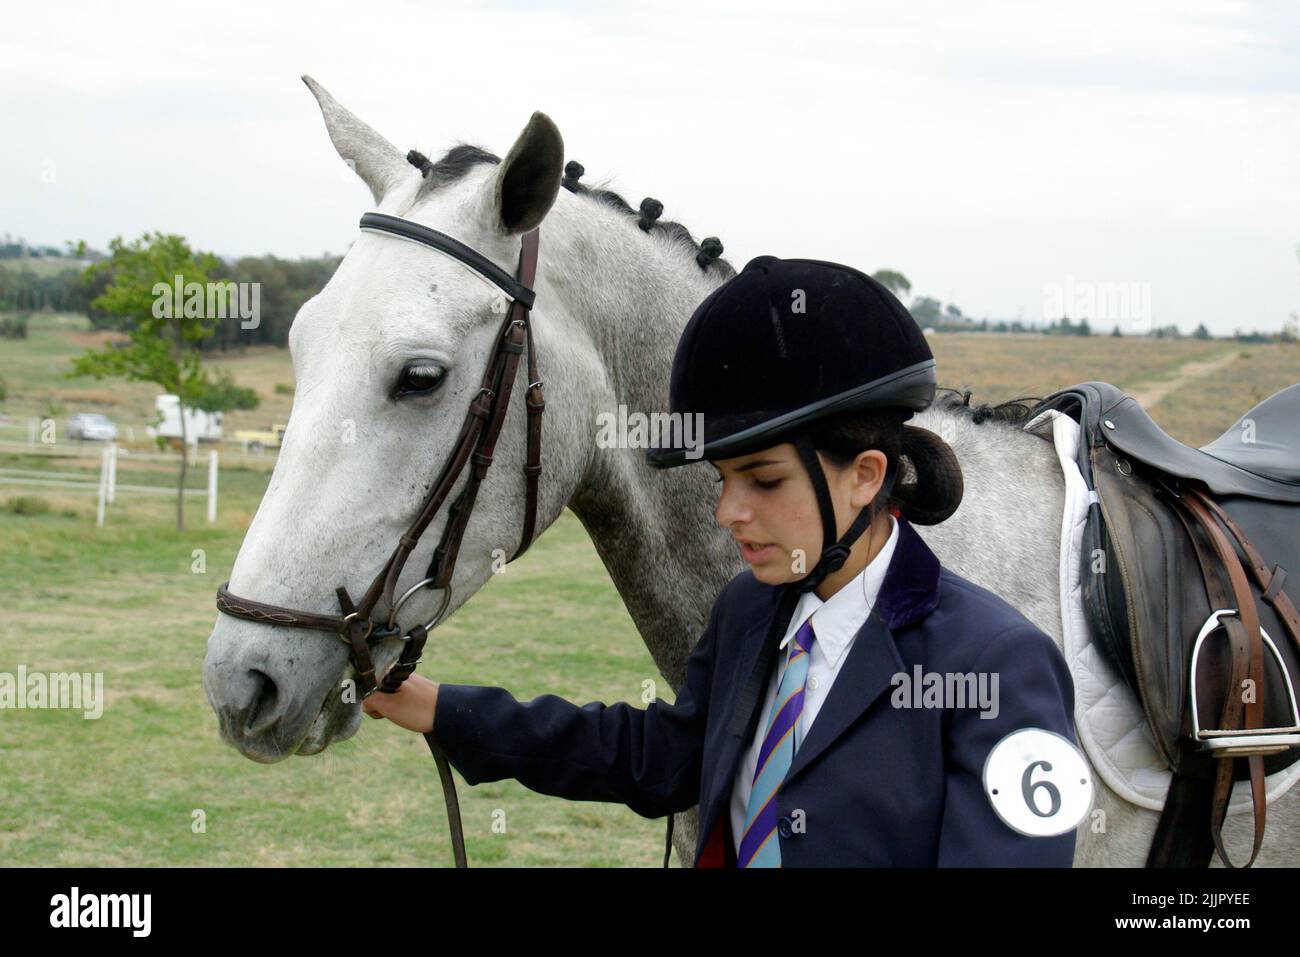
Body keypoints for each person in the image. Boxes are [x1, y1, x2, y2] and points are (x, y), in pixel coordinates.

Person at [363, 254, 1079, 867]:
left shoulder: (999, 665)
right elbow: (656, 756)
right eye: (722, 480)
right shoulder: (748, 611)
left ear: (865, 475)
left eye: (764, 481)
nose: (728, 511)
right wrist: (441, 708)